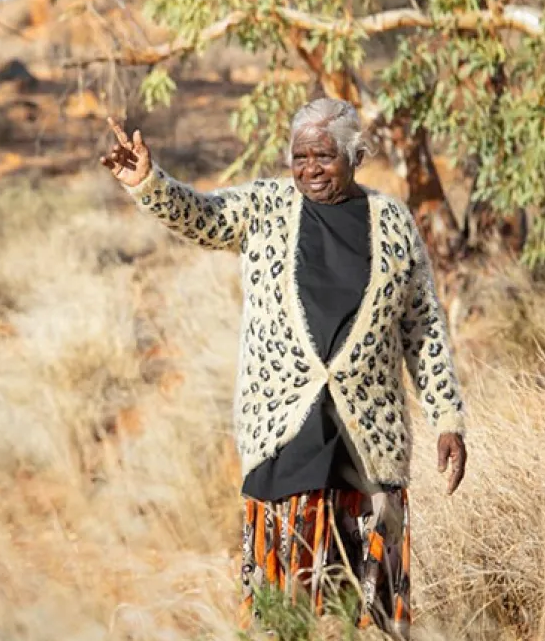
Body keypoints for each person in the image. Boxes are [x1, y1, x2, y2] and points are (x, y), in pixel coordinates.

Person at [99, 98, 468, 640]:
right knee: (282, 613)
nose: (310, 169)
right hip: (284, 436)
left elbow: (423, 325)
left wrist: (447, 418)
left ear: (354, 155)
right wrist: (149, 182)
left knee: (370, 618)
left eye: (323, 155)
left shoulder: (392, 222)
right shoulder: (267, 206)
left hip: (367, 443)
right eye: (300, 156)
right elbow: (203, 217)